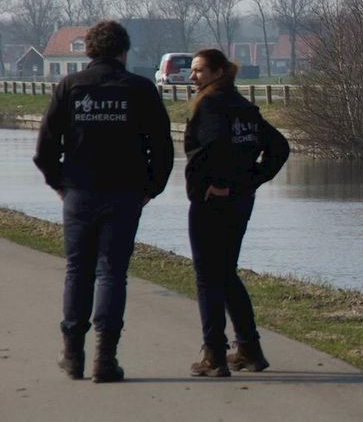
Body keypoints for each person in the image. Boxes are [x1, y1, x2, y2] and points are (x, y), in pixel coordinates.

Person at [33, 20, 174, 382]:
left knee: (77, 271)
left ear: (90, 51)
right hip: (125, 192)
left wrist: (58, 183)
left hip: (79, 191)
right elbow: (161, 147)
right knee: (112, 272)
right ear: (124, 52)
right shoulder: (140, 89)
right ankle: (105, 358)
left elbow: (46, 146)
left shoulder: (70, 87)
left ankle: (72, 355)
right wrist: (150, 188)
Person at [185, 48, 289, 377]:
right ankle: (249, 349)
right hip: (240, 201)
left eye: (199, 70)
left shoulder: (212, 105)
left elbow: (210, 150)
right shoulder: (244, 108)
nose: (192, 76)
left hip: (212, 202)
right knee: (226, 273)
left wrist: (213, 186)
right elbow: (278, 148)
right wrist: (248, 183)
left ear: (217, 73)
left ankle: (214, 354)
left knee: (207, 276)